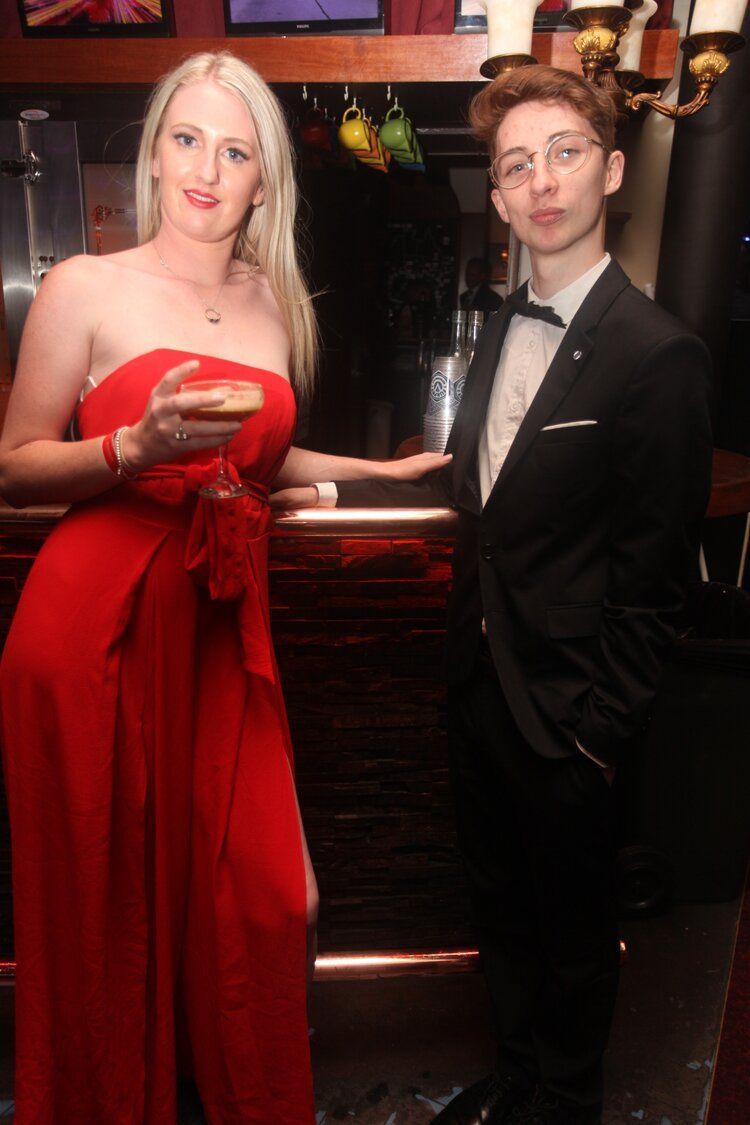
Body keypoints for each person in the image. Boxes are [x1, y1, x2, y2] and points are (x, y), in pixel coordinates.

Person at [0, 51, 447, 1125]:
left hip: (218, 628)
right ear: (154, 154)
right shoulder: (83, 285)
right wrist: (131, 446)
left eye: (235, 151)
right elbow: (14, 465)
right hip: (95, 626)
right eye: (189, 139)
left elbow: (252, 455)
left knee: (273, 896)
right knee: (107, 909)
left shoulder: (270, 300)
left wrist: (374, 474)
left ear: (263, 181)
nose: (207, 169)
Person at [275, 66, 714, 1125]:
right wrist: (338, 487)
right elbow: (481, 496)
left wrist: (599, 735)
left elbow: (655, 583)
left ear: (612, 170)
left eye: (564, 153)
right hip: (478, 688)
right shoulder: (497, 329)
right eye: (517, 166)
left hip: (570, 716)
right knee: (501, 912)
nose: (541, 180)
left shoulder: (662, 356)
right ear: (502, 200)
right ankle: (516, 1078)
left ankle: (563, 1100)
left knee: (572, 934)